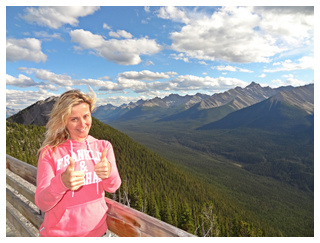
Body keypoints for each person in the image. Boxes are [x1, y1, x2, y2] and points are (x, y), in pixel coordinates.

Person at [35, 89, 122, 237]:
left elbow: (113, 187)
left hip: (98, 233)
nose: (83, 124)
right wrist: (61, 183)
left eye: (86, 116)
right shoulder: (50, 152)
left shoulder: (103, 147)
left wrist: (109, 172)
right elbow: (42, 203)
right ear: (63, 121)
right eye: (74, 119)